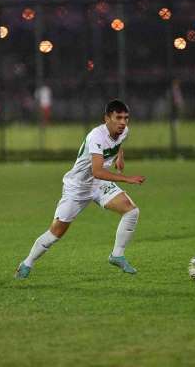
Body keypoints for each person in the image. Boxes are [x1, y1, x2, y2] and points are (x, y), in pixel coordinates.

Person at [15, 99, 146, 279]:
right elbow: (97, 171)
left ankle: (117, 255)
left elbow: (118, 144)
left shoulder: (124, 131)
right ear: (107, 118)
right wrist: (127, 179)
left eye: (126, 118)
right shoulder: (96, 136)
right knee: (56, 233)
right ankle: (27, 263)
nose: (123, 122)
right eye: (118, 118)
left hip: (98, 184)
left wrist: (119, 157)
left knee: (131, 211)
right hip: (77, 187)